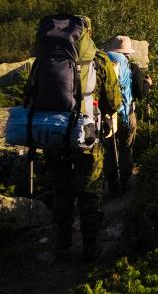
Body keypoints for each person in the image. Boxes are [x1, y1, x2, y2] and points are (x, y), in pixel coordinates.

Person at [41, 21, 122, 261]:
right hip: (86, 135)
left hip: (52, 133)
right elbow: (114, 101)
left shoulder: (45, 60)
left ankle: (62, 245)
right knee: (89, 190)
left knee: (61, 189)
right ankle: (90, 247)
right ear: (87, 33)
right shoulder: (98, 59)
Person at [104, 35, 152, 195]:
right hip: (126, 114)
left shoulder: (101, 64)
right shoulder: (133, 68)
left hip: (105, 116)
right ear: (127, 52)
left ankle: (111, 185)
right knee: (125, 148)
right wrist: (148, 84)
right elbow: (140, 94)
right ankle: (125, 182)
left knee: (109, 150)